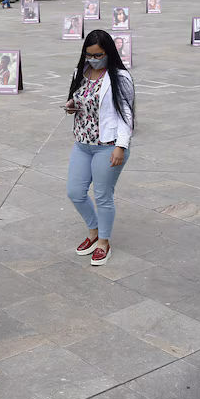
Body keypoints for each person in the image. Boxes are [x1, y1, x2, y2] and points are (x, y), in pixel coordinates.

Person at [64, 29, 135, 266]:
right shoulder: (81, 72)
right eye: (90, 55)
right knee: (75, 192)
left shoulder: (120, 77)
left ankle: (103, 241)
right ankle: (93, 230)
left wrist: (121, 146)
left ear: (109, 53)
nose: (94, 59)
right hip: (83, 143)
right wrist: (72, 105)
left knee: (103, 195)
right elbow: (80, 98)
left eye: (99, 54)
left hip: (108, 145)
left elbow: (126, 113)